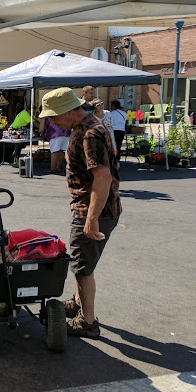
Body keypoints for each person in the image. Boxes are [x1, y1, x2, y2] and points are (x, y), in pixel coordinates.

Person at [39, 87, 121, 338]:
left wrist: (92, 219)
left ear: (69, 111)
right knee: (80, 261)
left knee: (83, 267)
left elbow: (103, 178)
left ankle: (88, 322)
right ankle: (77, 302)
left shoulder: (89, 134)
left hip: (93, 211)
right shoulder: (84, 125)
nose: (51, 121)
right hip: (88, 209)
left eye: (53, 116)